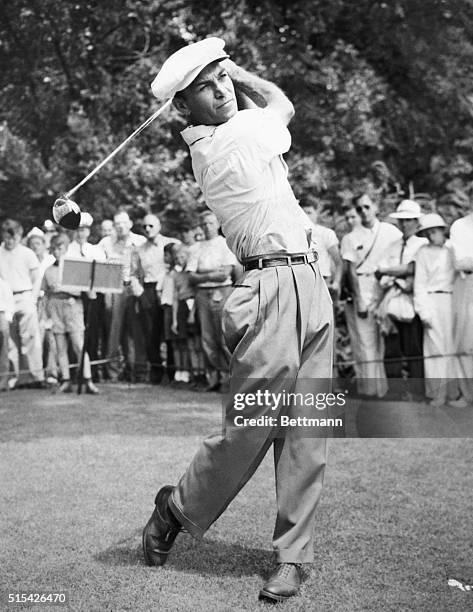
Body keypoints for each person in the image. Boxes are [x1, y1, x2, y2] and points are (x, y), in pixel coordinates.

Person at [142, 38, 333, 603]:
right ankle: (175, 509)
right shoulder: (227, 141)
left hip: (309, 285)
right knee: (249, 427)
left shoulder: (238, 132)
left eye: (223, 78)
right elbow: (283, 105)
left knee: (308, 431)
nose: (222, 89)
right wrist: (245, 70)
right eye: (207, 85)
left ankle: (293, 558)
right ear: (184, 107)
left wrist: (225, 71)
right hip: (269, 288)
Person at [341, 194, 401, 397]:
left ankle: (386, 390)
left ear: (376, 206)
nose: (363, 212)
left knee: (386, 342)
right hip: (362, 290)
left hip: (386, 289)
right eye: (359, 209)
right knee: (365, 343)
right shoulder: (350, 238)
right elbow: (350, 271)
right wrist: (359, 299)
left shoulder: (391, 232)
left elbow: (399, 258)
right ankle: (370, 391)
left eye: (367, 206)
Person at [413, 214, 468, 407]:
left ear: (442, 230)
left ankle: (455, 393)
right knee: (434, 349)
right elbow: (419, 285)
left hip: (454, 299)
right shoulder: (422, 252)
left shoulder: (453, 248)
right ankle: (438, 394)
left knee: (453, 347)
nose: (431, 235)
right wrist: (423, 311)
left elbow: (463, 272)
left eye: (435, 231)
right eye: (428, 232)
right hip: (432, 300)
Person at [376, 200, 427, 398]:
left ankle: (417, 391)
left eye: (409, 220)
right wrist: (396, 273)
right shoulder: (392, 245)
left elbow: (413, 269)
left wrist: (391, 271)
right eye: (402, 221)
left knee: (414, 348)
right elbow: (379, 273)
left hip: (412, 300)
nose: (405, 225)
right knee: (392, 348)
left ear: (416, 222)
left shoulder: (422, 245)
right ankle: (395, 391)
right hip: (391, 299)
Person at [186, 210, 237, 391]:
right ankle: (213, 378)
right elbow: (191, 276)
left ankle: (231, 379)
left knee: (223, 337)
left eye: (210, 223)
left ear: (217, 224)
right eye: (204, 224)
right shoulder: (195, 248)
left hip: (222, 292)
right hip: (202, 294)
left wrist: (204, 275)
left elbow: (225, 273)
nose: (207, 227)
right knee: (207, 338)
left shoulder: (224, 244)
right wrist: (209, 276)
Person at [41, 234, 99, 394]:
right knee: (60, 346)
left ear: (66, 249)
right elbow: (45, 294)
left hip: (73, 306)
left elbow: (87, 290)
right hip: (55, 307)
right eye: (54, 249)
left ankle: (87, 379)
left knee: (79, 344)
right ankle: (65, 379)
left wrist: (88, 291)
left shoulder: (75, 268)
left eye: (60, 248)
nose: (57, 252)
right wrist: (46, 315)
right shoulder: (48, 270)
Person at [130, 213, 180, 383]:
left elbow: (179, 264)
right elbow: (133, 275)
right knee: (151, 333)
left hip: (169, 288)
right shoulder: (139, 249)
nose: (148, 229)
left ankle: (173, 372)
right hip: (149, 290)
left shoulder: (171, 244)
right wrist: (141, 293)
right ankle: (156, 372)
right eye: (144, 226)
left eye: (151, 226)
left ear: (159, 226)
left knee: (170, 332)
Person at [99, 210, 147, 382]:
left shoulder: (140, 242)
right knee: (114, 330)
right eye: (117, 223)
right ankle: (112, 372)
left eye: (123, 223)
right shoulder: (106, 243)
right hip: (113, 288)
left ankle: (137, 371)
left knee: (136, 331)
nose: (120, 226)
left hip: (135, 287)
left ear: (130, 224)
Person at [0, 219, 45, 388]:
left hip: (25, 296)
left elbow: (36, 278)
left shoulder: (27, 253)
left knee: (31, 338)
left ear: (19, 236)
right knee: (10, 342)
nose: (11, 241)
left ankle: (36, 377)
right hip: (6, 300)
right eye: (8, 237)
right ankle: (15, 378)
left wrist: (32, 298)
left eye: (14, 237)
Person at [449, 207, 473, 401]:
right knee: (465, 342)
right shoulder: (460, 226)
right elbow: (460, 262)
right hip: (468, 286)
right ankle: (467, 394)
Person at [300, 201, 343, 300]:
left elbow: (338, 262)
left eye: (309, 212)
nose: (305, 216)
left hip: (323, 282)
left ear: (316, 214)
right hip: (302, 284)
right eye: (302, 212)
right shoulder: (293, 235)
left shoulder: (326, 233)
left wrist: (336, 283)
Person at [172, 245, 200, 383]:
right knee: (186, 342)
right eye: (177, 258)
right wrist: (174, 320)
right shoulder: (176, 275)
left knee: (197, 341)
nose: (179, 260)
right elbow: (176, 297)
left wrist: (192, 313)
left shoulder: (192, 274)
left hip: (193, 305)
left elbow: (196, 293)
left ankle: (201, 372)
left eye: (182, 257)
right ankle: (190, 372)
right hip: (182, 306)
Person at [0, 276, 14, 391]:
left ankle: (3, 383)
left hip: (2, 316)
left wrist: (7, 319)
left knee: (3, 350)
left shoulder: (3, 285)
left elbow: (9, 303)